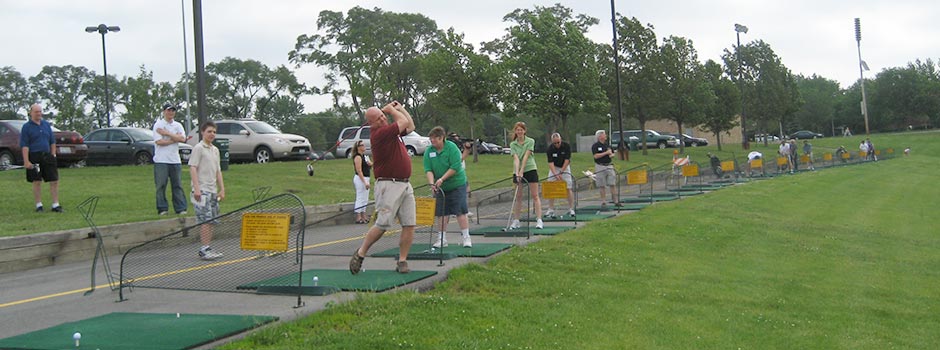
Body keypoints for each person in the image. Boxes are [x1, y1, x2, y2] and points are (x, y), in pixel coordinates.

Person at [349, 101, 416, 275]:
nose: (383, 119)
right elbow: (401, 122)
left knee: (409, 224)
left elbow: (410, 124)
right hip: (388, 184)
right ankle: (361, 252)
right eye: (378, 118)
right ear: (371, 123)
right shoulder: (379, 134)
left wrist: (400, 108)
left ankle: (402, 261)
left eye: (382, 115)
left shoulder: (391, 132)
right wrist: (393, 110)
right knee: (383, 224)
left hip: (404, 183)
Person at [424, 126, 471, 248]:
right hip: (440, 187)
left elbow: (455, 167)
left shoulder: (451, 148)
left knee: (460, 210)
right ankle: (441, 239)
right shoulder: (429, 151)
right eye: (431, 139)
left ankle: (466, 237)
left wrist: (442, 179)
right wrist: (431, 183)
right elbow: (428, 169)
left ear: (441, 138)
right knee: (441, 213)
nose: (432, 142)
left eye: (434, 139)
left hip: (457, 183)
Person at [189, 121, 225, 260]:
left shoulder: (215, 150)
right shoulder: (199, 148)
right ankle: (204, 249)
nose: (212, 134)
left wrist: (221, 189)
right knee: (205, 219)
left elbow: (218, 171)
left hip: (212, 190)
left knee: (212, 220)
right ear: (203, 132)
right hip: (202, 190)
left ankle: (208, 246)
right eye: (209, 131)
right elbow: (192, 167)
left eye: (214, 132)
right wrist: (197, 189)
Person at [20, 104, 62, 213]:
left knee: (54, 180)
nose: (39, 114)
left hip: (47, 155)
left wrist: (53, 155)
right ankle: (39, 205)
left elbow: (52, 141)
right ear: (31, 113)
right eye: (36, 112)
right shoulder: (26, 127)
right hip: (34, 156)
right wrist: (26, 161)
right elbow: (24, 145)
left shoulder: (46, 125)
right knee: (37, 181)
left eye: (40, 111)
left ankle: (55, 204)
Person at [153, 102, 187, 215]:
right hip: (161, 160)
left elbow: (183, 139)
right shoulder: (158, 125)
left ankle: (181, 208)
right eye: (168, 110)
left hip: (175, 160)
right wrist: (174, 139)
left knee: (177, 184)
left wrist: (167, 133)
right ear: (164, 112)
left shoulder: (178, 125)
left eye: (172, 110)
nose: (171, 113)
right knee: (161, 185)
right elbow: (159, 141)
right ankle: (162, 209)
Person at [508, 122, 543, 229]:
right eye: (517, 130)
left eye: (521, 130)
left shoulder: (530, 141)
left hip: (530, 168)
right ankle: (516, 220)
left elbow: (526, 156)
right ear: (515, 131)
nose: (519, 132)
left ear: (524, 131)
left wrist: (522, 170)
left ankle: (539, 220)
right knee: (518, 196)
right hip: (517, 170)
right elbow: (516, 158)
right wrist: (517, 172)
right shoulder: (513, 144)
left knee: (535, 195)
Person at [545, 132, 575, 218]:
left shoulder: (566, 146)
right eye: (555, 143)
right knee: (550, 186)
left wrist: (561, 172)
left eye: (558, 142)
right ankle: (550, 208)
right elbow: (550, 163)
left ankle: (571, 208)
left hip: (565, 167)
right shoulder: (550, 149)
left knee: (568, 187)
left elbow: (567, 160)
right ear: (552, 142)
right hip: (554, 167)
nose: (557, 144)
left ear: (560, 140)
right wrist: (555, 174)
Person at [592, 130, 618, 207]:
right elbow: (596, 156)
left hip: (609, 165)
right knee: (601, 184)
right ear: (600, 136)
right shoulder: (595, 146)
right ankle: (603, 201)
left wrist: (612, 155)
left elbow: (612, 153)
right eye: (604, 134)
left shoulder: (607, 145)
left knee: (612, 183)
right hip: (600, 165)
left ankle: (615, 200)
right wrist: (606, 153)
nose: (606, 136)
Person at [351, 140, 372, 224]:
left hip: (366, 177)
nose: (364, 146)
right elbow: (359, 170)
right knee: (360, 196)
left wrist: (370, 164)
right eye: (362, 145)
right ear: (358, 147)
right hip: (360, 179)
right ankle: (358, 216)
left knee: (365, 197)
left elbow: (369, 166)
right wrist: (364, 182)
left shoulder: (365, 156)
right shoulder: (358, 157)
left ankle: (364, 214)